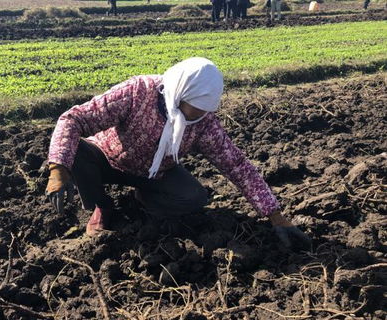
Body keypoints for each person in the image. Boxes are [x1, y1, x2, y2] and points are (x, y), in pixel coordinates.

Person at [46, 57, 311, 250]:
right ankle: (102, 207)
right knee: (77, 152)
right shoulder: (138, 92)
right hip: (106, 158)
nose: (198, 116)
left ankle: (142, 199)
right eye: (193, 108)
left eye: (205, 110)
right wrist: (59, 170)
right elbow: (73, 120)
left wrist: (275, 215)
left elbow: (237, 166)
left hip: (154, 172)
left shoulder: (204, 123)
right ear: (180, 91)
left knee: (194, 197)